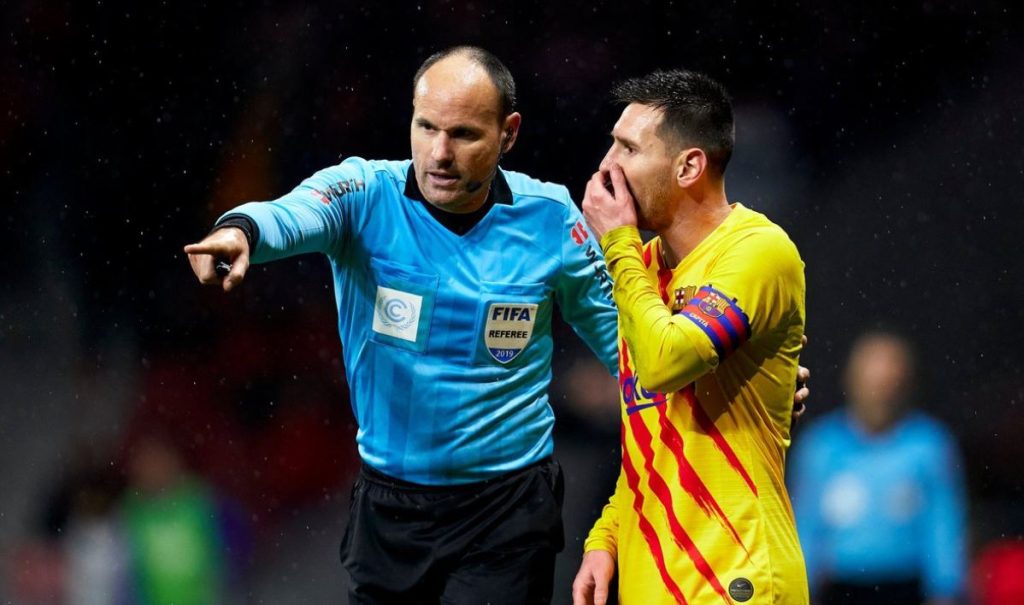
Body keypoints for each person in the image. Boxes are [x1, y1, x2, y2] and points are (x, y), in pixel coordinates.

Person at [185, 46, 620, 604]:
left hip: (507, 509)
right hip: (390, 509)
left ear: (508, 134)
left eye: (463, 134)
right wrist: (241, 230)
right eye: (426, 127)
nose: (439, 152)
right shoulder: (365, 195)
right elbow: (294, 212)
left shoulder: (551, 219)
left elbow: (629, 351)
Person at [573, 70, 809, 604]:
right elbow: (651, 431)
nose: (607, 166)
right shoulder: (643, 269)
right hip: (653, 581)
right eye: (612, 144)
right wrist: (606, 538)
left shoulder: (758, 251)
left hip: (736, 575)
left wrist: (618, 244)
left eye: (629, 148)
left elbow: (664, 364)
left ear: (688, 167)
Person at [788, 331, 966, 605]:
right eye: (872, 381)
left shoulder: (929, 445)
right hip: (841, 588)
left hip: (907, 587)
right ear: (852, 381)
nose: (881, 393)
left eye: (889, 382)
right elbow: (805, 523)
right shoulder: (821, 446)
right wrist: (800, 587)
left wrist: (946, 588)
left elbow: (943, 524)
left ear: (906, 385)